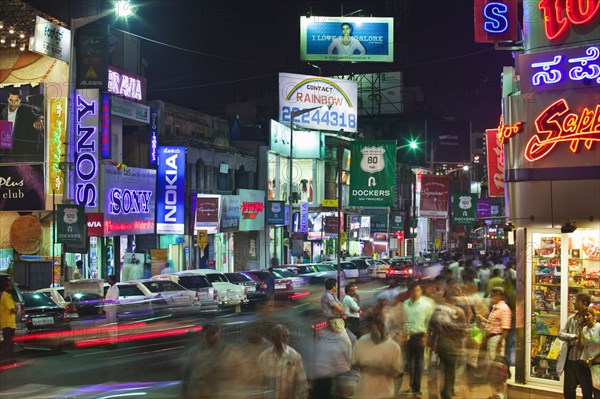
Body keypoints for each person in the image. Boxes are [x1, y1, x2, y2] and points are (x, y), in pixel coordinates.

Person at [352, 303, 403, 399]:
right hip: (364, 394)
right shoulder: (361, 342)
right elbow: (354, 364)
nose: (378, 327)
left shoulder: (393, 347)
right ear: (369, 326)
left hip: (384, 394)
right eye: (376, 324)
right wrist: (364, 366)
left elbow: (397, 373)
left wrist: (381, 370)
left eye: (381, 324)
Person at [428, 284, 468, 399]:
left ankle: (433, 394)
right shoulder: (459, 311)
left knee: (434, 370)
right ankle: (447, 394)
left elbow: (431, 328)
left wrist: (431, 344)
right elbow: (463, 332)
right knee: (450, 372)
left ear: (445, 297)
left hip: (437, 344)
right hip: (452, 345)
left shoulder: (437, 309)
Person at [477, 287, 512, 399]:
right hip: (492, 339)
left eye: (493, 296)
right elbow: (493, 325)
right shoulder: (496, 308)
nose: (492, 298)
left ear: (499, 296)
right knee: (493, 367)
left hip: (496, 339)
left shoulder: (503, 309)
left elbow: (505, 328)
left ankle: (501, 395)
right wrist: (483, 321)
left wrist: (500, 343)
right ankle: (496, 394)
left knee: (497, 368)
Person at [257, 324, 308, 399]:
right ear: (273, 338)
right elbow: (259, 382)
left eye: (287, 336)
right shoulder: (263, 357)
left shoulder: (295, 356)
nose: (285, 339)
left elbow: (301, 383)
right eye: (282, 336)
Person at [559, 294, 594, 399]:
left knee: (587, 391)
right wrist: (574, 336)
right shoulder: (571, 319)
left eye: (577, 301)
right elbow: (560, 334)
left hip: (585, 362)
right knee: (569, 390)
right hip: (571, 359)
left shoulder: (590, 319)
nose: (574, 303)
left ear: (584, 303)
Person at [403, 282, 434, 397]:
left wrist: (427, 337)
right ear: (409, 292)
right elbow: (403, 321)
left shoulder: (426, 305)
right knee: (409, 364)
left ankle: (417, 388)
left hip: (420, 335)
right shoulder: (405, 304)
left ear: (421, 291)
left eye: (418, 290)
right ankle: (412, 386)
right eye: (413, 291)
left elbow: (429, 322)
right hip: (407, 336)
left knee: (418, 363)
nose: (415, 293)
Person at [182, 323, 230, 398]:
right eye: (208, 334)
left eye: (213, 333)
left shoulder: (225, 349)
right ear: (204, 336)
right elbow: (187, 371)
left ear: (218, 334)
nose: (211, 336)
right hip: (201, 389)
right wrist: (185, 390)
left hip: (219, 388)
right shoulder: (195, 351)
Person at [0, 87, 44, 161]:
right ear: (7, 99)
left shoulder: (26, 110)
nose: (13, 103)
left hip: (19, 153)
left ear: (20, 100)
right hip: (4, 153)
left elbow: (39, 115)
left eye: (16, 100)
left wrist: (39, 119)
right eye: (11, 100)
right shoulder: (2, 110)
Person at [577, 309, 600, 397]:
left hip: (597, 366)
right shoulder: (583, 329)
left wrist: (593, 359)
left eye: (588, 315)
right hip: (584, 365)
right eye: (583, 316)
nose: (585, 317)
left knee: (598, 394)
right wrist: (579, 331)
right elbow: (580, 348)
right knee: (586, 394)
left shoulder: (598, 327)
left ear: (594, 316)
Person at [0, 281, 17, 364]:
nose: (11, 288)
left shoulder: (9, 296)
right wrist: (14, 309)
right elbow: (13, 309)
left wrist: (14, 309)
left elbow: (16, 308)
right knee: (8, 343)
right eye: (10, 286)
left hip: (10, 323)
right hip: (7, 323)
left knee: (9, 342)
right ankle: (7, 359)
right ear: (6, 287)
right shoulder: (5, 297)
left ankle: (9, 358)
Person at [104, 275, 119, 346]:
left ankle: (114, 341)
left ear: (112, 280)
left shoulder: (115, 289)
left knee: (113, 325)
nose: (108, 281)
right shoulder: (110, 288)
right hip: (108, 308)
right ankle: (111, 340)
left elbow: (113, 300)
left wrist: (105, 301)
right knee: (109, 325)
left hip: (112, 309)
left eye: (109, 279)